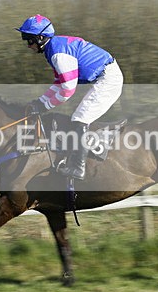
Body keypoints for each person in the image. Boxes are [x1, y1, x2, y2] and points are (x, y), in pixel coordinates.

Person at [17, 14, 124, 180]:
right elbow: (58, 83)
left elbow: (67, 90)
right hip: (103, 76)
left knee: (80, 118)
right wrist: (40, 101)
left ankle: (78, 168)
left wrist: (44, 106)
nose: (28, 45)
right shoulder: (53, 48)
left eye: (29, 39)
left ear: (40, 37)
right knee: (79, 116)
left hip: (108, 78)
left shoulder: (58, 54)